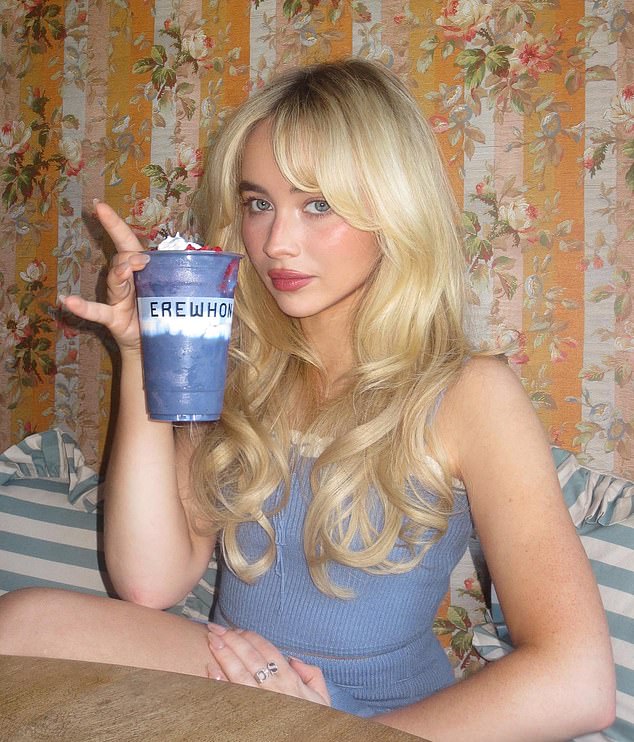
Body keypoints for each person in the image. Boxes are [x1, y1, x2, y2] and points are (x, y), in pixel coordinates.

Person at [0, 59, 615, 740]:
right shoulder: (240, 367)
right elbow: (151, 582)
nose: (276, 243)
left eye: (317, 204)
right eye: (259, 203)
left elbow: (578, 680)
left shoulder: (470, 393)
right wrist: (147, 354)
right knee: (21, 625)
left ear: (393, 209)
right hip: (242, 688)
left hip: (383, 722)